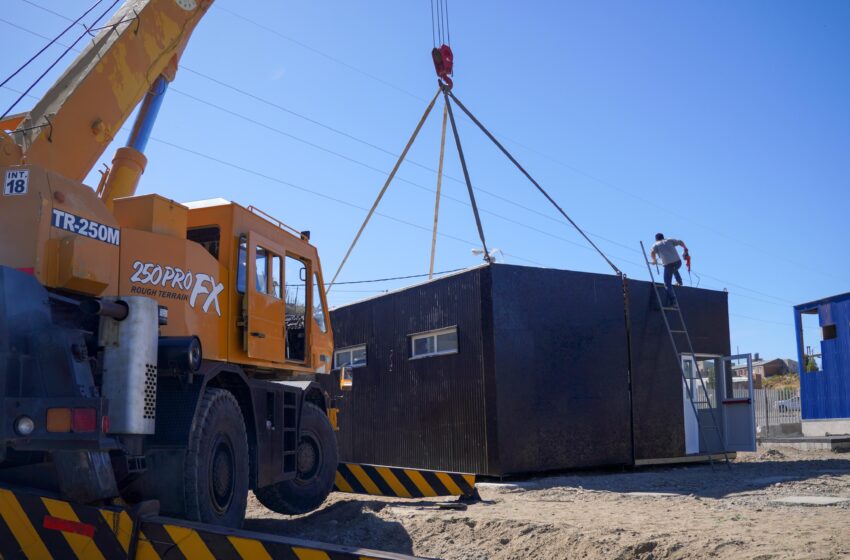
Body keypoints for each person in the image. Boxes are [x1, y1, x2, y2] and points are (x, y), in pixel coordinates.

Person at [650, 233, 688, 305]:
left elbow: (652, 252)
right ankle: (679, 281)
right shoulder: (669, 240)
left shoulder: (655, 245)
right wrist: (685, 249)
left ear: (656, 239)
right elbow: (680, 242)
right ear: (663, 237)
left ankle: (673, 301)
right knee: (674, 269)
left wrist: (654, 260)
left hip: (668, 265)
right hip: (678, 263)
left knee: (667, 283)